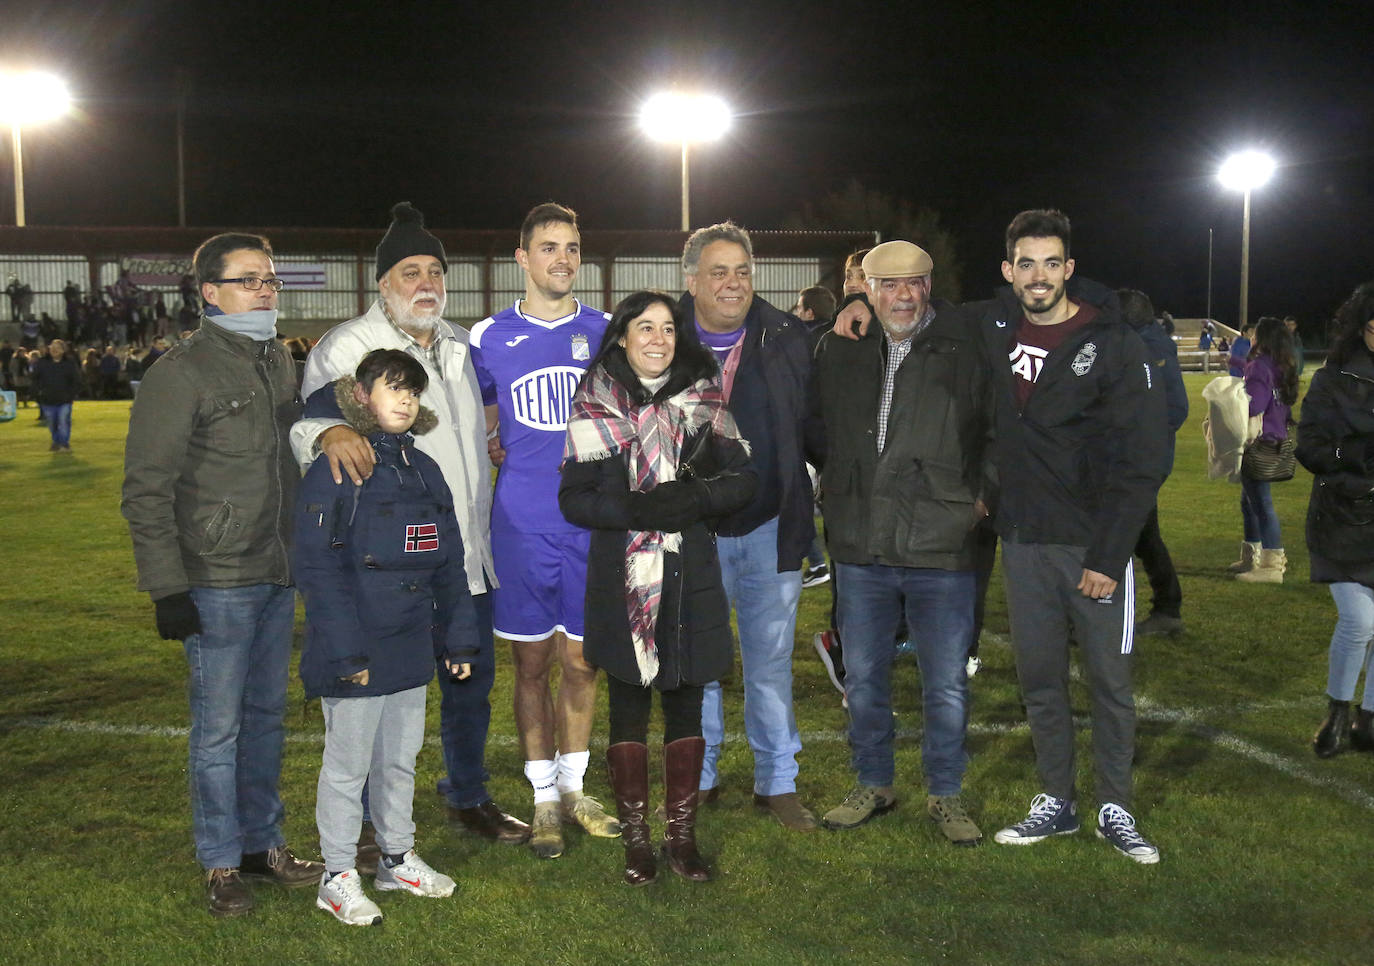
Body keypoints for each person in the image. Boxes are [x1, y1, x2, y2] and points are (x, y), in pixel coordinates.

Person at [290, 202, 527, 848]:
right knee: (377, 697)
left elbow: (476, 424)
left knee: (469, 682)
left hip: (461, 552)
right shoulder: (350, 347)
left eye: (434, 271)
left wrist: (495, 439)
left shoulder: (459, 345)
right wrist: (335, 426)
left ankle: (468, 794)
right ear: (382, 283)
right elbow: (309, 422)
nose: (426, 283)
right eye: (409, 271)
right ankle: (368, 824)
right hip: (383, 567)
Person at [121, 232, 323, 917]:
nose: (264, 289)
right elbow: (146, 488)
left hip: (275, 570)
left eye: (269, 278)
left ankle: (262, 847)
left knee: (266, 718)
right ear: (209, 292)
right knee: (218, 728)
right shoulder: (180, 372)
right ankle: (218, 862)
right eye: (247, 280)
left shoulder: (276, 361)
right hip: (216, 576)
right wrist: (167, 587)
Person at [975, 210, 1167, 863]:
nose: (1038, 275)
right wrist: (857, 303)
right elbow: (920, 311)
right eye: (1025, 263)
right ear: (1008, 271)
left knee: (1110, 683)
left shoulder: (1111, 342)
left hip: (1091, 549)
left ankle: (1116, 806)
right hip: (1024, 542)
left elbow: (1143, 463)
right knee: (1040, 682)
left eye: (1050, 262)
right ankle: (1056, 800)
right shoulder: (995, 327)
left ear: (1069, 269)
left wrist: (1109, 556)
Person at [560, 290, 757, 885]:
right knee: (626, 704)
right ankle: (638, 842)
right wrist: (635, 507)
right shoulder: (595, 401)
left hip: (689, 572)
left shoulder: (704, 396)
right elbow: (573, 500)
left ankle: (682, 838)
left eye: (668, 329)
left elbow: (745, 480)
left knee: (685, 699)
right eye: (644, 328)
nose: (657, 340)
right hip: (621, 575)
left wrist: (694, 497)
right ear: (622, 336)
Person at [808, 240, 991, 844]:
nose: (903, 295)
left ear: (930, 284)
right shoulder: (842, 345)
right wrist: (841, 483)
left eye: (914, 283)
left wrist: (979, 498)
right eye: (888, 284)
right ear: (867, 287)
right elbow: (817, 429)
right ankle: (875, 782)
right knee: (862, 677)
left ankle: (946, 793)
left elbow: (997, 430)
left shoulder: (967, 343)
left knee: (945, 682)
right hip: (862, 543)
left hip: (943, 545)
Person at [297, 350, 478, 925]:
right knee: (348, 768)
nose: (404, 399)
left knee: (400, 759)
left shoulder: (424, 469)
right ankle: (337, 874)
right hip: (357, 646)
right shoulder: (335, 466)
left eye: (413, 391)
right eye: (392, 387)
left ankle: (397, 857)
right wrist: (347, 653)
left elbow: (449, 560)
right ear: (360, 395)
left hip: (408, 643)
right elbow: (318, 569)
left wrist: (459, 639)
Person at [468, 203, 618, 859]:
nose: (563, 259)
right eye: (549, 247)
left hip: (590, 526)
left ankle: (576, 786)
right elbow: (482, 422)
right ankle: (542, 799)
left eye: (573, 248)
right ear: (522, 258)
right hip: (522, 526)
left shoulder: (607, 330)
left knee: (583, 663)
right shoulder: (488, 336)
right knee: (530, 664)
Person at [679, 222, 820, 831]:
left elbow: (814, 426)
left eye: (741, 270)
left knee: (770, 661)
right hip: (692, 529)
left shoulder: (789, 336)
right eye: (719, 271)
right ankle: (701, 776)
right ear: (691, 281)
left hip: (769, 527)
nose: (733, 283)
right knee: (699, 658)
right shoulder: (660, 334)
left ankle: (777, 781)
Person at [1297, 283, 1374, 757]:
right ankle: (1337, 715)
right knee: (1359, 622)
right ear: (1362, 327)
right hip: (1342, 518)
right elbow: (1309, 447)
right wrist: (1354, 456)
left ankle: (1368, 722)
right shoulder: (1333, 378)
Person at [1119, 290, 1190, 636]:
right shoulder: (1151, 344)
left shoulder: (1148, 350)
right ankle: (1168, 609)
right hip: (1141, 461)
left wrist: (1141, 445)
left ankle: (1110, 617)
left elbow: (1176, 409)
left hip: (1140, 463)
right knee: (1145, 536)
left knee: (1119, 534)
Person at [1233, 316, 1300, 583]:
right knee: (1249, 500)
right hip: (1276, 436)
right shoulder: (1281, 365)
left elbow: (1255, 406)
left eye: (1256, 335)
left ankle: (1272, 565)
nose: (1252, 338)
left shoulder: (1260, 366)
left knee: (1260, 502)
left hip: (1259, 441)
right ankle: (1252, 556)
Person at [791, 284, 837, 590]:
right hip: (838, 447)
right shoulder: (846, 336)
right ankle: (821, 564)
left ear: (808, 312)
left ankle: (818, 564)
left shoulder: (805, 342)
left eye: (799, 308)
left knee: (794, 506)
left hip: (810, 444)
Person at [31, 338, 80, 451]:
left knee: (63, 421)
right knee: (52, 423)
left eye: (57, 348)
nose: (54, 350)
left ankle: (64, 443)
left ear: (63, 350)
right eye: (52, 347)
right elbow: (35, 379)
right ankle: (56, 442)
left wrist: (71, 395)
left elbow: (76, 380)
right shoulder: (42, 362)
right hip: (47, 399)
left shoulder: (69, 363)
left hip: (65, 399)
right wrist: (38, 392)